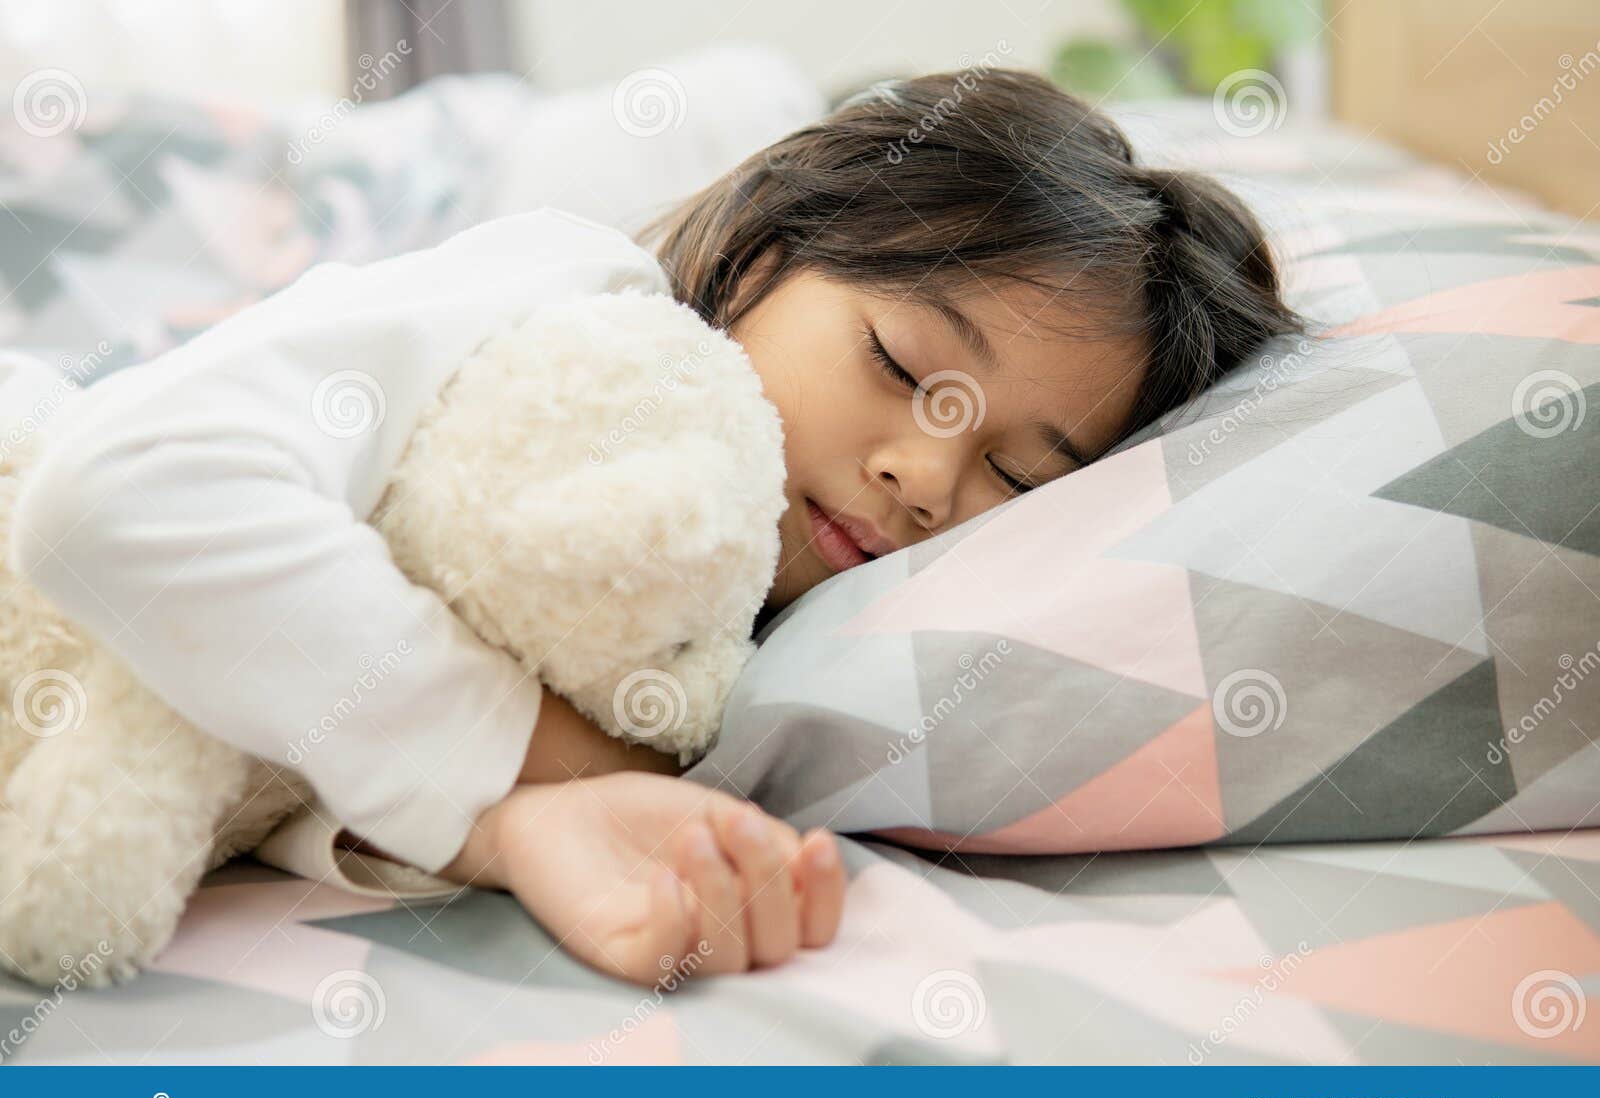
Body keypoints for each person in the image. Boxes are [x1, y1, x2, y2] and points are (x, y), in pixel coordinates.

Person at [7, 70, 1298, 986]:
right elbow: (121, 496)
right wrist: (542, 775)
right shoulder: (568, 297)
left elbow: (256, 744)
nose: (922, 473)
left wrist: (511, 826)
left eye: (1018, 473)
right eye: (903, 364)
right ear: (764, 253)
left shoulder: (744, 658)